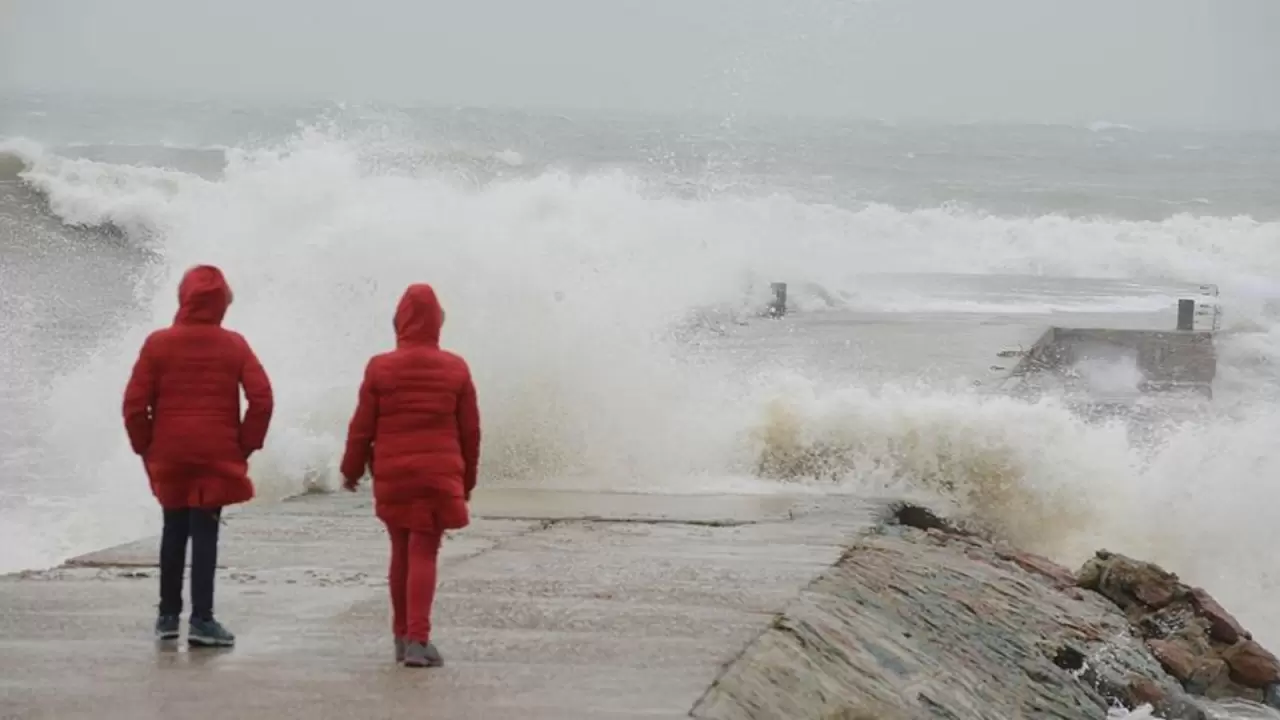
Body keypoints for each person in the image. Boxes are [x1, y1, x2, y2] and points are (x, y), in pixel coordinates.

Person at [122, 264, 274, 648]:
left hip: (170, 452)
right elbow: (262, 399)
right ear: (222, 302)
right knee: (205, 531)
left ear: (183, 298)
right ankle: (202, 620)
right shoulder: (234, 345)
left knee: (173, 528)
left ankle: (167, 617)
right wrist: (245, 445)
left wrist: (146, 447)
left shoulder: (158, 344)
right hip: (216, 452)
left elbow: (134, 405)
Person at [340, 283, 481, 669]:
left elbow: (361, 428)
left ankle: (402, 638)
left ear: (399, 321)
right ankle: (419, 639)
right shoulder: (456, 368)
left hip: (394, 476)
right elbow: (470, 432)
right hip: (437, 476)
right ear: (438, 323)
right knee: (423, 551)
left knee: (400, 551)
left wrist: (351, 470)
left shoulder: (380, 367)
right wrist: (466, 481)